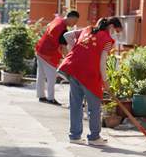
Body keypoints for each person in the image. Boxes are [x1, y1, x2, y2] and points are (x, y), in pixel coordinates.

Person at [58, 17, 123, 146]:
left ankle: (75, 136)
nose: (115, 34)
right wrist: (105, 81)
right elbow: (102, 62)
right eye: (116, 31)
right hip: (89, 74)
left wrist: (75, 50)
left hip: (74, 68)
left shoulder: (88, 30)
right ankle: (94, 137)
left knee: (75, 105)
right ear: (111, 27)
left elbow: (67, 35)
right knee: (94, 108)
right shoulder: (107, 40)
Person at [35, 11, 80, 106]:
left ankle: (41, 95)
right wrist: (68, 58)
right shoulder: (63, 30)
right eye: (75, 21)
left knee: (41, 75)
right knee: (51, 76)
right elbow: (63, 47)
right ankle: (51, 98)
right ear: (71, 18)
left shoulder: (57, 20)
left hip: (40, 49)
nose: (74, 24)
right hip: (48, 54)